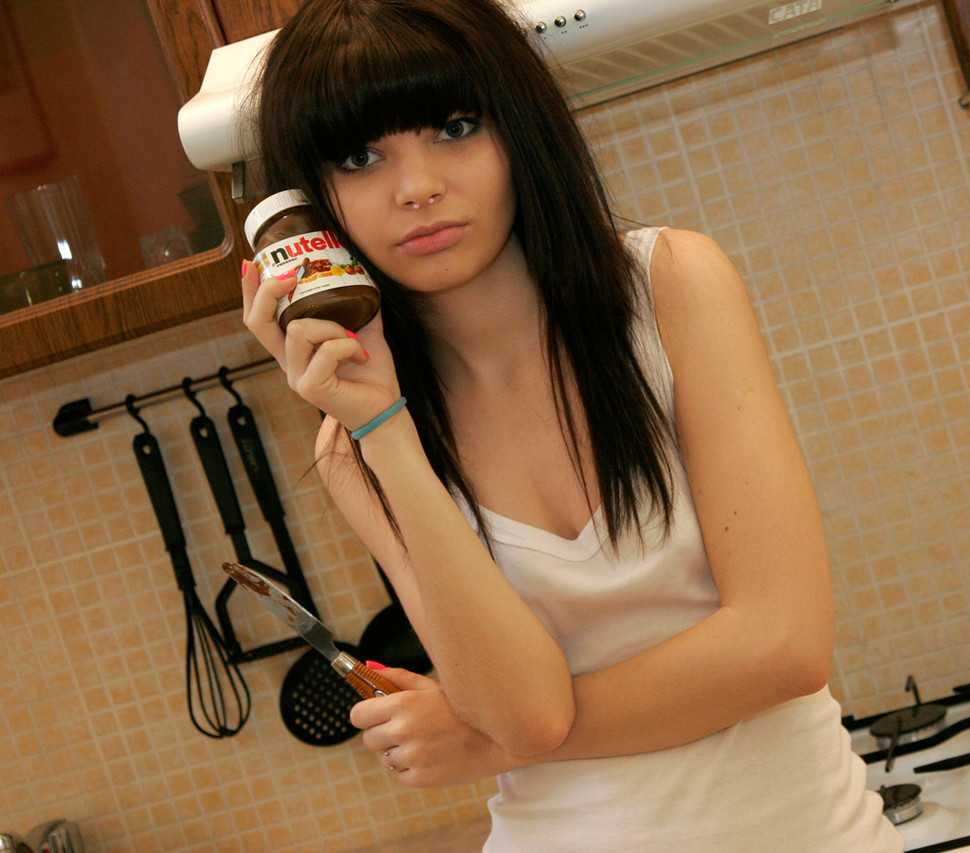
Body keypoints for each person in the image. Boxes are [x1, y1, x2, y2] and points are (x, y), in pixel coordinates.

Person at [240, 0, 903, 849]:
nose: (417, 187)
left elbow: (785, 645)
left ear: (518, 127)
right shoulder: (357, 447)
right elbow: (528, 712)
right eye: (361, 157)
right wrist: (386, 429)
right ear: (305, 206)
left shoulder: (669, 287)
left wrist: (484, 740)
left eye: (455, 127)